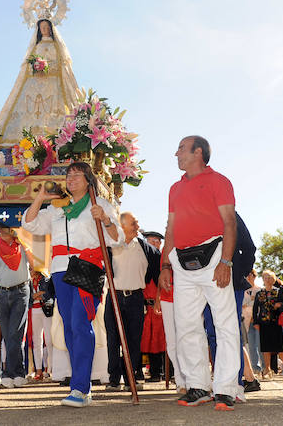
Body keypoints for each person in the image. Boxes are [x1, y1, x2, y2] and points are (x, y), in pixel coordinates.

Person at [22, 161, 122, 407]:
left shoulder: (100, 205)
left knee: (80, 322)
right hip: (59, 270)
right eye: (69, 174)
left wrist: (106, 220)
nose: (72, 178)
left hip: (87, 268)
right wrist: (41, 197)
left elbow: (118, 240)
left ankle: (80, 387)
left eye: (78, 174)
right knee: (69, 328)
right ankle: (81, 387)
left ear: (89, 180)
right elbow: (30, 223)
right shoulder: (57, 208)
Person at [157, 135, 240, 411]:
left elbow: (229, 222)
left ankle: (226, 389)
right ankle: (198, 386)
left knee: (224, 324)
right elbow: (170, 229)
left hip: (214, 254)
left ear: (198, 152)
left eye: (181, 148)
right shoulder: (174, 189)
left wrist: (226, 262)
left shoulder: (219, 181)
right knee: (187, 325)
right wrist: (165, 266)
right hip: (181, 260)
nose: (176, 153)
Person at [201, 212, 260, 399]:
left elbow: (249, 247)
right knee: (212, 333)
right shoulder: (192, 212)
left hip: (230, 283)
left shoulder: (229, 212)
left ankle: (234, 385)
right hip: (203, 283)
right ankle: (221, 383)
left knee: (230, 332)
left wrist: (237, 273)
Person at [0, 18, 79, 145]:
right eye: (42, 27)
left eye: (46, 26)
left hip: (53, 84)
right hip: (34, 85)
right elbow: (27, 65)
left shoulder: (56, 46)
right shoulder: (36, 46)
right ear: (39, 29)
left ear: (51, 28)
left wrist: (46, 66)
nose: (44, 29)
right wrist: (35, 66)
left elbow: (62, 65)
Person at [104, 212, 160, 392]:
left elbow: (159, 272)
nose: (137, 226)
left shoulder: (145, 248)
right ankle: (114, 379)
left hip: (136, 298)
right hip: (114, 296)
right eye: (133, 223)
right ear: (122, 226)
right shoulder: (111, 244)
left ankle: (131, 378)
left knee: (134, 340)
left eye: (136, 222)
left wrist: (158, 299)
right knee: (113, 339)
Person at [0, 227, 37, 388]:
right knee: (8, 335)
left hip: (21, 292)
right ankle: (17, 372)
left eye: (8, 228)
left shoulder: (23, 246)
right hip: (1, 294)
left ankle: (10, 373)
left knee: (15, 333)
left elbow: (34, 266)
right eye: (2, 229)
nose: (5, 231)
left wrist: (25, 246)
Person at [139, 231, 168, 384]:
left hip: (158, 305)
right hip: (144, 306)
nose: (155, 243)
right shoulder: (140, 257)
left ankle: (160, 372)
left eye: (157, 241)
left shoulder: (162, 260)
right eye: (152, 241)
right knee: (145, 340)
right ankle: (147, 371)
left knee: (159, 339)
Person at [253, 270, 283, 378]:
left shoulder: (279, 291)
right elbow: (255, 309)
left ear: (274, 279)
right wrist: (255, 322)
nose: (268, 279)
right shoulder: (259, 293)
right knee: (265, 348)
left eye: (270, 277)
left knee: (280, 346)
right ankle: (267, 370)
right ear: (263, 279)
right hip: (263, 323)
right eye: (266, 277)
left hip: (276, 322)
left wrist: (279, 305)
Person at [29, 268, 52, 381]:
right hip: (34, 311)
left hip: (46, 310)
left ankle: (51, 370)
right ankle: (39, 371)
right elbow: (29, 297)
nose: (30, 270)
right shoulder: (28, 281)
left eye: (32, 268)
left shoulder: (45, 278)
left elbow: (47, 293)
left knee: (49, 340)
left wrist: (37, 295)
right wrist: (38, 294)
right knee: (37, 341)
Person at [243, 270, 262, 374]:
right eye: (248, 275)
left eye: (252, 275)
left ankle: (263, 367)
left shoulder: (259, 289)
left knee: (259, 344)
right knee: (249, 345)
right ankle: (254, 367)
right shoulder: (243, 290)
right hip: (245, 320)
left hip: (257, 320)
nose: (250, 277)